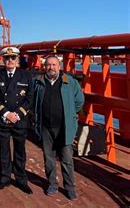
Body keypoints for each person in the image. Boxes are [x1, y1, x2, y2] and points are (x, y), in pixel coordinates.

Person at [33, 55, 84, 201]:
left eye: (54, 65)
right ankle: (52, 185)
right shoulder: (38, 82)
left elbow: (79, 100)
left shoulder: (69, 82)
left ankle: (70, 188)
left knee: (67, 159)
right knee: (48, 158)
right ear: (44, 67)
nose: (51, 67)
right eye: (48, 65)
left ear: (59, 66)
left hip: (64, 127)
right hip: (45, 127)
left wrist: (70, 113)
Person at [0, 46, 34, 194]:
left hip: (20, 120)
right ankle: (4, 178)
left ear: (17, 59)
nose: (10, 60)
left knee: (20, 151)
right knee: (4, 151)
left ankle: (21, 180)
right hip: (3, 119)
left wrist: (17, 115)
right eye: (7, 58)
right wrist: (6, 113)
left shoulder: (26, 76)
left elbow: (30, 98)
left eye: (13, 58)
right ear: (3, 59)